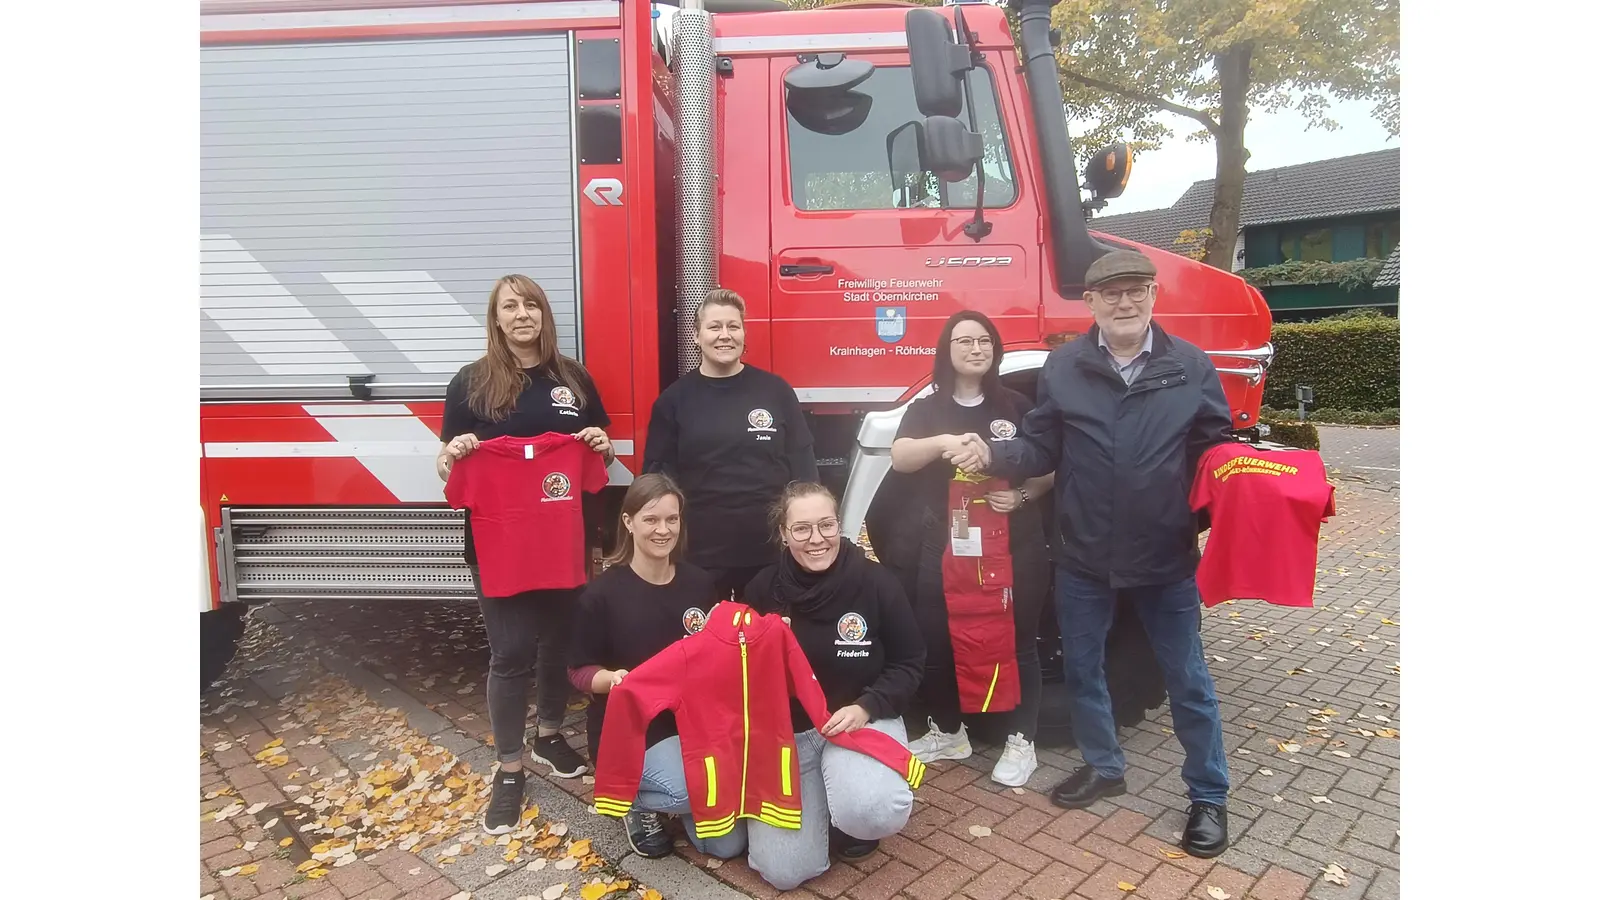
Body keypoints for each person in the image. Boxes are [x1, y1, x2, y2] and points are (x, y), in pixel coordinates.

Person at [948, 248, 1235, 858]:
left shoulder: (1190, 366)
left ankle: (1208, 795)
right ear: (1091, 302)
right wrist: (994, 455)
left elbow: (1213, 453)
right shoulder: (1064, 366)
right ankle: (1105, 767)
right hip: (1083, 555)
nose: (1124, 303)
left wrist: (1200, 515)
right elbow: (1040, 447)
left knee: (1187, 679)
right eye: (1111, 293)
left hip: (1164, 558)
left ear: (1153, 295)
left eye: (1136, 291)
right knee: (1084, 670)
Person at [437, 274, 613, 834]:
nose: (522, 314)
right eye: (510, 306)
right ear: (496, 318)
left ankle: (549, 736)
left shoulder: (573, 378)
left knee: (559, 644)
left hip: (564, 541)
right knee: (510, 652)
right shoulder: (471, 382)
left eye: (531, 304)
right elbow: (446, 466)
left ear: (544, 314)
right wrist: (455, 452)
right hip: (499, 547)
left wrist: (600, 444)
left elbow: (600, 454)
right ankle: (509, 767)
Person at [875, 311, 1053, 787]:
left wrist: (1022, 496)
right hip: (946, 543)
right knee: (936, 638)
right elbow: (901, 458)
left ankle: (1021, 741)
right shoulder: (926, 410)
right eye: (964, 341)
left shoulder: (1018, 405)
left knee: (1019, 642)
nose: (976, 349)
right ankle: (949, 733)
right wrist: (943, 442)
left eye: (984, 341)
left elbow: (1049, 467)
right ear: (946, 351)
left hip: (1014, 545)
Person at [743, 483, 925, 890]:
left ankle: (851, 813)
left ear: (839, 525)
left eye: (826, 525)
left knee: (872, 808)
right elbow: (740, 673)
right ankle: (823, 805)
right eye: (802, 528)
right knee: (784, 872)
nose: (817, 538)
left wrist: (867, 705)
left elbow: (910, 661)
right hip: (792, 733)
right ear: (784, 534)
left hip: (860, 722)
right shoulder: (763, 589)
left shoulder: (876, 582)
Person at [566, 474, 748, 861]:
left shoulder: (700, 584)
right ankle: (633, 799)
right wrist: (611, 680)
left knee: (728, 845)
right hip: (632, 731)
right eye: (651, 519)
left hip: (693, 724)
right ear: (629, 522)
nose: (663, 530)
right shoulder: (600, 595)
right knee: (684, 788)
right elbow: (578, 671)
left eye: (671, 519)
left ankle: (686, 797)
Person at [642, 289, 818, 601]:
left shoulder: (775, 392)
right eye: (714, 327)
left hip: (770, 554)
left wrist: (805, 531)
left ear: (743, 334)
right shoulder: (673, 401)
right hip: (701, 556)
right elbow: (657, 482)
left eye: (733, 326)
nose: (725, 335)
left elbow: (803, 468)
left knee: (770, 631)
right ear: (696, 336)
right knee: (707, 633)